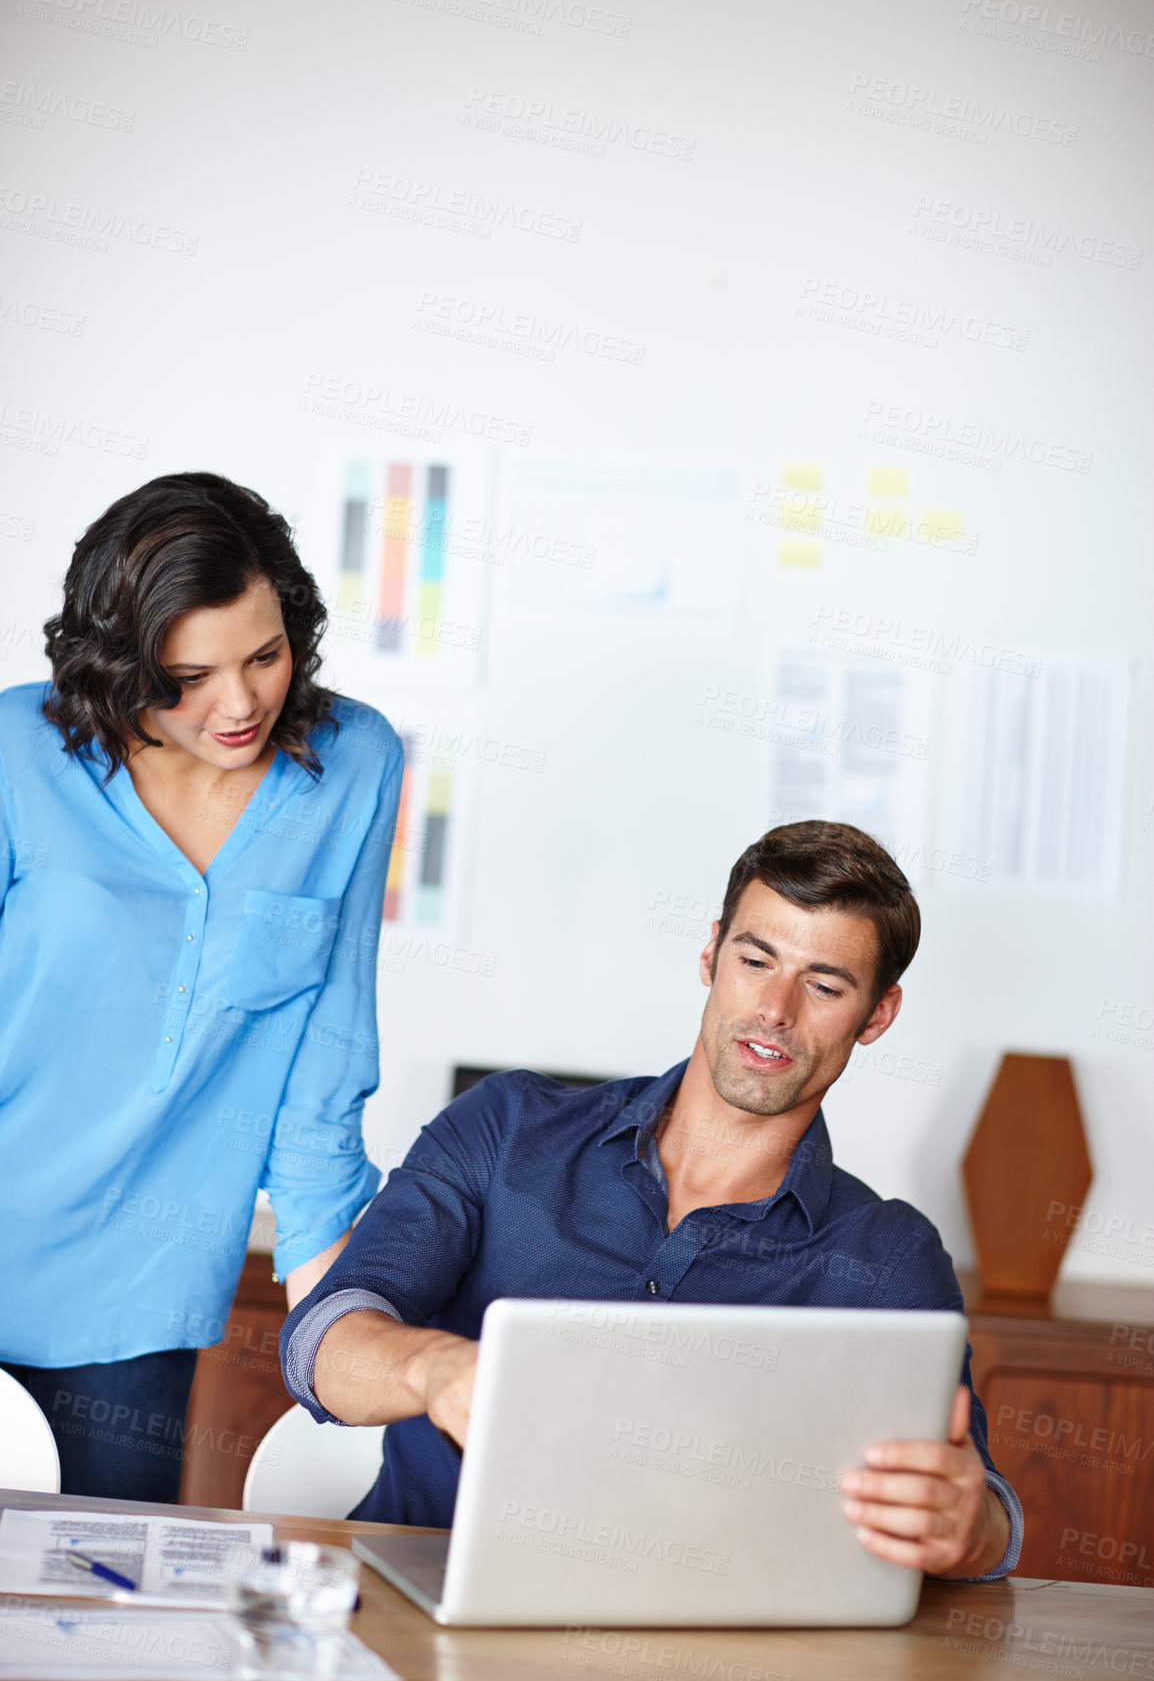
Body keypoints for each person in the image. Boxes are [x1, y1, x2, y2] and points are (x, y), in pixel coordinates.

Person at [281, 820, 1023, 1580]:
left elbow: (977, 1503)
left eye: (824, 985)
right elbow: (321, 1345)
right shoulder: (506, 1129)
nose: (776, 1009)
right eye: (755, 959)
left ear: (877, 1015)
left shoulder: (889, 1258)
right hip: (414, 1612)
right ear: (711, 954)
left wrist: (975, 1530)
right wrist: (438, 1372)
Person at [0, 472, 402, 1501]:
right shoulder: (15, 754)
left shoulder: (352, 766)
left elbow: (326, 1055)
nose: (238, 703)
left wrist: (338, 1333)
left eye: (264, 656)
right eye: (189, 675)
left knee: (91, 1625)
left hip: (137, 1301)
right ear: (121, 661)